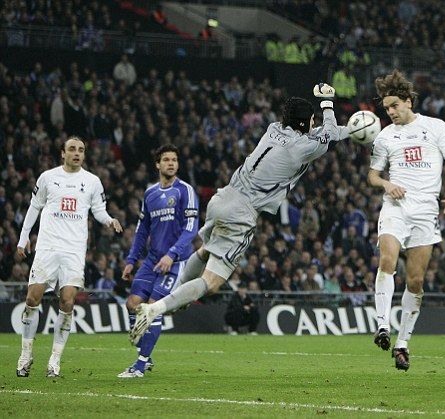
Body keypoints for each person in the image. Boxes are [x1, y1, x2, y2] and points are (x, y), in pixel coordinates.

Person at [129, 83, 349, 344]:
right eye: (312, 121)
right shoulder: (300, 148)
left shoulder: (273, 129)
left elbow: (328, 134)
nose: (314, 124)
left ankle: (173, 297)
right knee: (212, 283)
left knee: (206, 250)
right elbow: (330, 133)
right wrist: (327, 103)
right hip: (242, 212)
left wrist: (349, 130)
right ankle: (155, 309)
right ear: (304, 124)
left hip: (223, 197)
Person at [369, 70, 445, 371]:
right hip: (395, 207)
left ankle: (403, 343)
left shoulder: (435, 127)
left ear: (408, 101)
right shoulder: (384, 136)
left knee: (416, 280)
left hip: (425, 212)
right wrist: (386, 184)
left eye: (394, 106)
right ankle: (382, 325)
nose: (391, 112)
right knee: (387, 260)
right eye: (387, 109)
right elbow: (372, 175)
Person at [15, 137, 123, 378]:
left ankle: (54, 360)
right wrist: (23, 239)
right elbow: (34, 207)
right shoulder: (48, 177)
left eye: (81, 150)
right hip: (47, 247)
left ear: (84, 155)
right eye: (72, 149)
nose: (77, 153)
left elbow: (98, 209)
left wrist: (109, 220)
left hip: (74, 250)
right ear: (62, 153)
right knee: (32, 298)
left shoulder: (92, 181)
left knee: (67, 301)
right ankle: (25, 354)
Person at [118, 144, 199, 378]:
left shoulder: (185, 191)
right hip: (152, 260)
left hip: (175, 261)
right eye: (166, 160)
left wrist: (171, 254)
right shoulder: (150, 194)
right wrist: (131, 260)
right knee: (132, 304)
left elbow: (191, 229)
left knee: (152, 309)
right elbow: (142, 230)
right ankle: (147, 353)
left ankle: (140, 365)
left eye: (174, 159)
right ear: (157, 164)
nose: (171, 163)